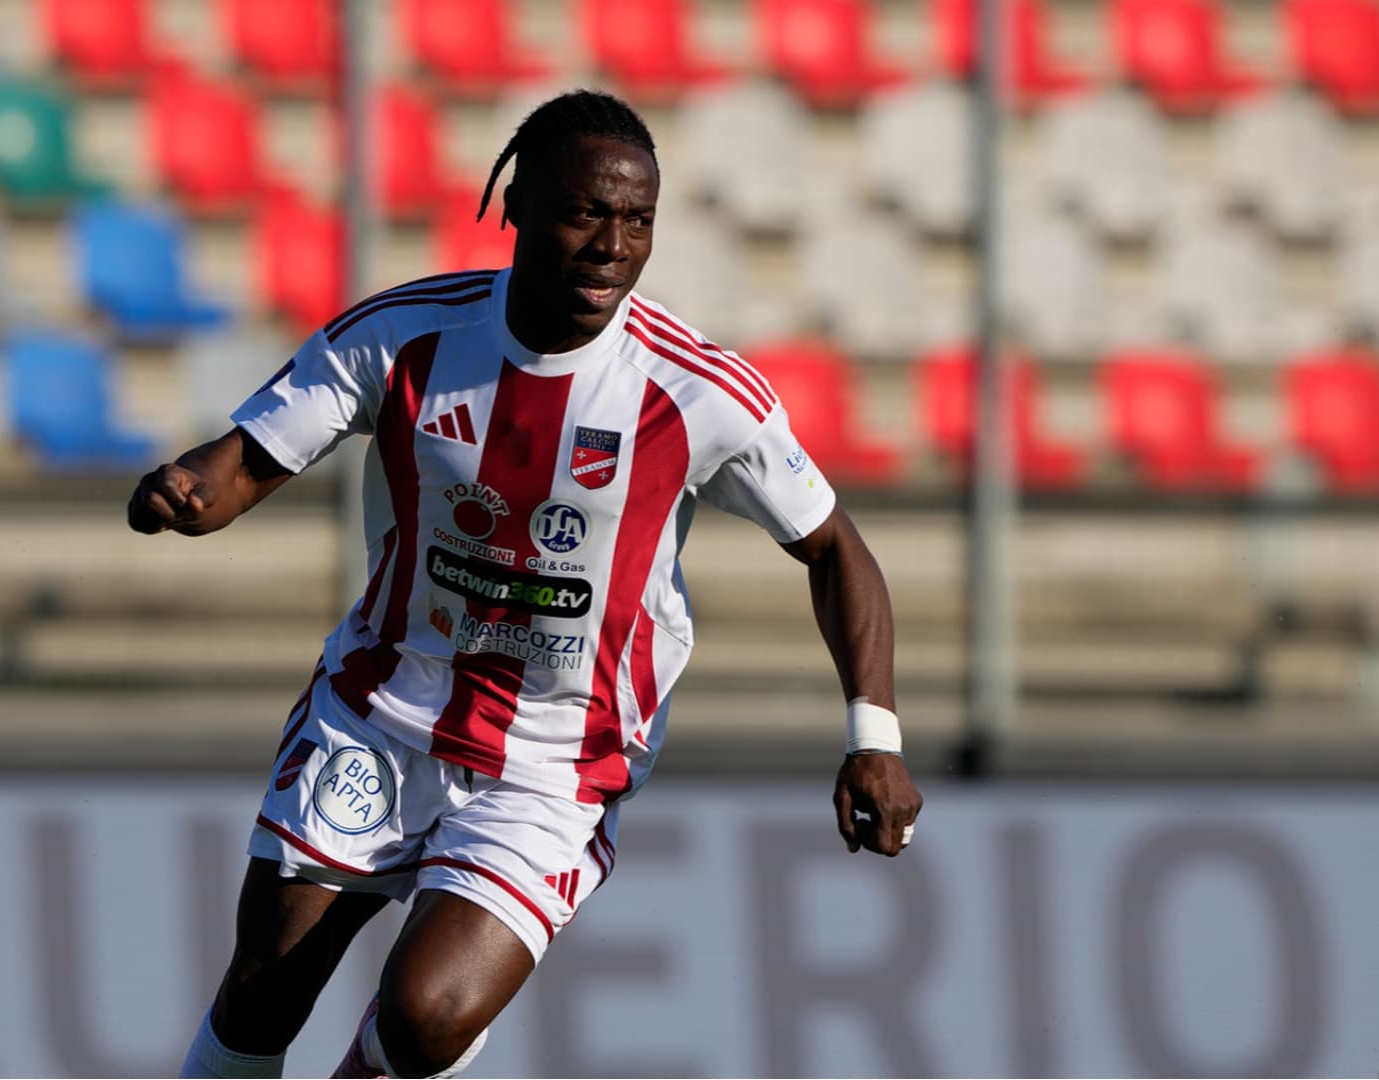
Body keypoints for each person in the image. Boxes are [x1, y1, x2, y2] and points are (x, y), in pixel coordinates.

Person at [133, 90, 924, 1079]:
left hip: (555, 755)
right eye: (585, 211)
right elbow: (241, 466)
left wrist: (874, 740)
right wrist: (182, 492)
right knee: (262, 989)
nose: (611, 245)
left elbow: (836, 549)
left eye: (638, 220)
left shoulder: (696, 391)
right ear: (514, 203)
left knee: (427, 1015)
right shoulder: (408, 336)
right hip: (380, 710)